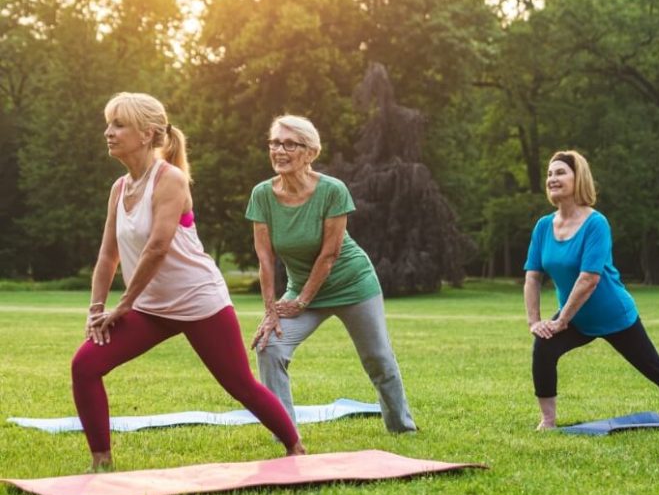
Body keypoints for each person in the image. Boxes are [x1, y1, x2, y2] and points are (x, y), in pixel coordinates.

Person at [72, 93, 305, 472]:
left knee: (239, 383)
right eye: (109, 123)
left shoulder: (170, 180)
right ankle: (101, 462)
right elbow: (107, 256)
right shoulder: (119, 188)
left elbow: (157, 247)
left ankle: (296, 448)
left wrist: (124, 305)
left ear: (147, 134)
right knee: (85, 366)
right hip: (151, 308)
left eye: (119, 124)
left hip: (199, 301)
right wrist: (96, 309)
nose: (108, 132)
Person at [247, 115, 416, 433]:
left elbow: (330, 254)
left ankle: (402, 427)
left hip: (352, 284)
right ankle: (285, 431)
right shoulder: (262, 195)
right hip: (301, 289)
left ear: (310, 152)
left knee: (377, 357)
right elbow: (265, 258)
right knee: (268, 347)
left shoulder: (332, 190)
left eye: (289, 144)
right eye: (274, 143)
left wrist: (302, 301)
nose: (279, 151)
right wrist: (271, 311)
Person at [523, 150, 659, 430]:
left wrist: (560, 321)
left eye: (560, 172)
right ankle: (548, 420)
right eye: (549, 174)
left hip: (612, 313)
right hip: (577, 317)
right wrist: (535, 322)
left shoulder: (596, 223)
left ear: (578, 178)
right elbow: (532, 277)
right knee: (543, 347)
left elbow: (589, 279)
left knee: (651, 365)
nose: (552, 178)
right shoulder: (544, 226)